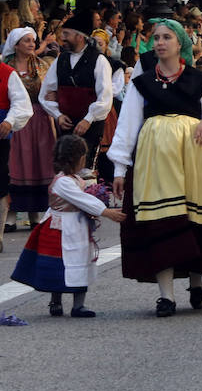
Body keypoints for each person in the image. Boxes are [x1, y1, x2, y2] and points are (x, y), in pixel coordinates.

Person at [108, 19, 202, 317]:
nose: (159, 42)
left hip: (194, 160)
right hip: (154, 163)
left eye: (166, 37)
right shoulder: (141, 83)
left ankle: (196, 280)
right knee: (162, 221)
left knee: (196, 219)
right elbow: (127, 126)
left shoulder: (201, 80)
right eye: (156, 38)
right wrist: (119, 169)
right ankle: (166, 296)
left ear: (179, 43)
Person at [11, 135, 125, 317]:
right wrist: (107, 212)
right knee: (60, 264)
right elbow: (82, 199)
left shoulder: (72, 178)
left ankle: (78, 305)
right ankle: (56, 301)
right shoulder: (63, 182)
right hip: (62, 228)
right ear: (76, 159)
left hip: (76, 226)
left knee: (81, 261)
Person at [38, 10, 112, 172]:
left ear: (79, 36)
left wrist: (88, 119)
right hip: (66, 125)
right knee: (64, 170)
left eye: (66, 33)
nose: (62, 38)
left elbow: (105, 98)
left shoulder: (99, 61)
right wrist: (58, 115)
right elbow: (45, 93)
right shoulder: (61, 59)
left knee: (85, 171)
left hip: (91, 127)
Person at [4, 27, 55, 230]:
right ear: (16, 45)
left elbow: (50, 92)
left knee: (37, 164)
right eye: (26, 41)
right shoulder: (6, 68)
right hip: (15, 120)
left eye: (32, 41)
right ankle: (11, 214)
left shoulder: (42, 66)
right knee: (14, 166)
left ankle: (35, 213)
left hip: (39, 120)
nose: (31, 44)